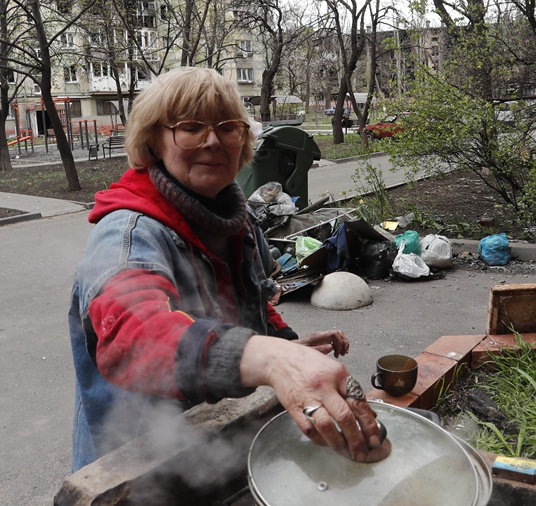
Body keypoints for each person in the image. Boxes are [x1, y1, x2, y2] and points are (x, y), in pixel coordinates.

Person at [68, 67, 389, 472]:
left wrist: (287, 345)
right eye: (190, 127)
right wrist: (271, 359)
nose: (213, 141)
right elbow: (133, 336)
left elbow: (252, 298)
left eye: (228, 127)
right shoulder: (128, 233)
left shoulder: (236, 218)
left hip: (218, 444)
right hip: (137, 468)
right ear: (153, 140)